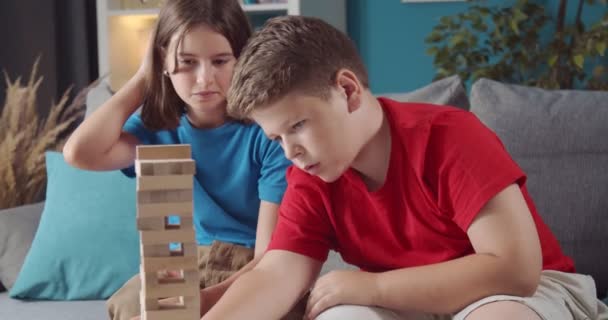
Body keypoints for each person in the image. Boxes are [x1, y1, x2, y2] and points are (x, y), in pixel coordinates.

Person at [203, 16, 608, 320]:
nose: (292, 151)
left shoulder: (449, 137)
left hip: (523, 293)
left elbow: (515, 270)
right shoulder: (310, 175)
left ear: (347, 90)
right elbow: (275, 275)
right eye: (277, 139)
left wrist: (375, 284)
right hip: (403, 300)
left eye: (299, 126)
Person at [62, 1, 294, 319]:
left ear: (242, 59)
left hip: (250, 265)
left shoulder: (267, 132)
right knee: (129, 303)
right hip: (184, 262)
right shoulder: (156, 128)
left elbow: (269, 257)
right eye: (187, 62)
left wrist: (203, 301)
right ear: (164, 62)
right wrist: (146, 77)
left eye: (220, 61)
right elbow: (79, 153)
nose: (204, 79)